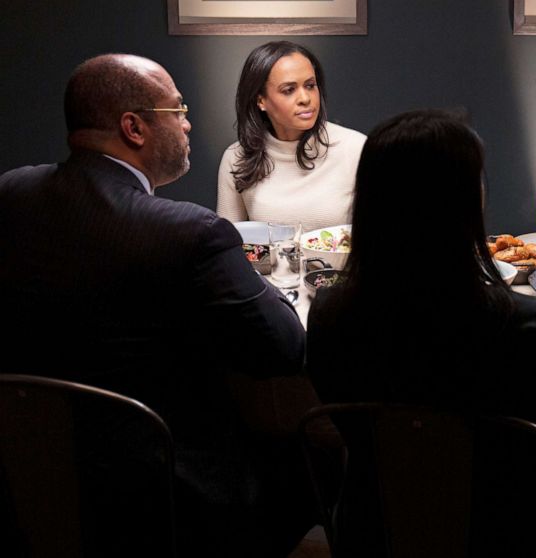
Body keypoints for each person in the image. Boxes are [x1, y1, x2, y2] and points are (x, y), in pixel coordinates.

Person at [0, 54, 312, 556]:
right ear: (134, 127)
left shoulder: (11, 193)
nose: (189, 124)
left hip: (31, 474)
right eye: (178, 110)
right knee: (316, 460)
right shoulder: (190, 231)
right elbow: (283, 347)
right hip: (168, 492)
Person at [306, 109, 536, 557]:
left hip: (372, 527)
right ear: (465, 203)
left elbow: (345, 423)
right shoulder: (526, 326)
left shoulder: (328, 315)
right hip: (500, 533)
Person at [217, 41, 365, 232]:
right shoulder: (236, 157)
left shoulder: (355, 149)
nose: (305, 98)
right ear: (260, 100)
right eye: (289, 90)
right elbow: (226, 246)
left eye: (310, 85)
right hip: (262, 264)